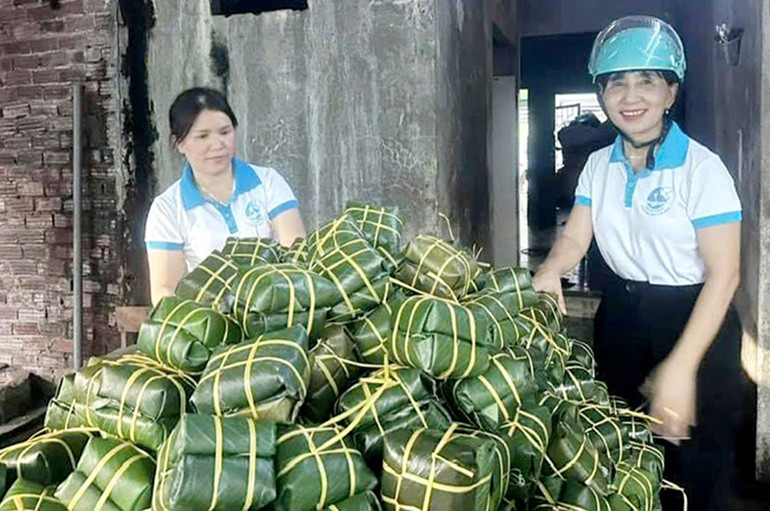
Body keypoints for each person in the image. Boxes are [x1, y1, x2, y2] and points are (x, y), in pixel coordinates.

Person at [533, 16, 751, 510]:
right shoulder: (597, 165)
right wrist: (550, 269)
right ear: (603, 94)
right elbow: (575, 235)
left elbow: (726, 274)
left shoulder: (702, 168)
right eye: (616, 83)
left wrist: (680, 368)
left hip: (696, 320)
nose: (630, 96)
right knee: (627, 461)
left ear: (671, 93)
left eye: (646, 81)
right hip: (622, 320)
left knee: (694, 476)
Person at [144, 87, 306, 304]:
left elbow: (296, 252)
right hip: (212, 320)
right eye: (203, 136)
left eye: (225, 132)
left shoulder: (268, 182)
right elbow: (164, 290)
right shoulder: (167, 208)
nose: (217, 144)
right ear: (179, 143)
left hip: (274, 307)